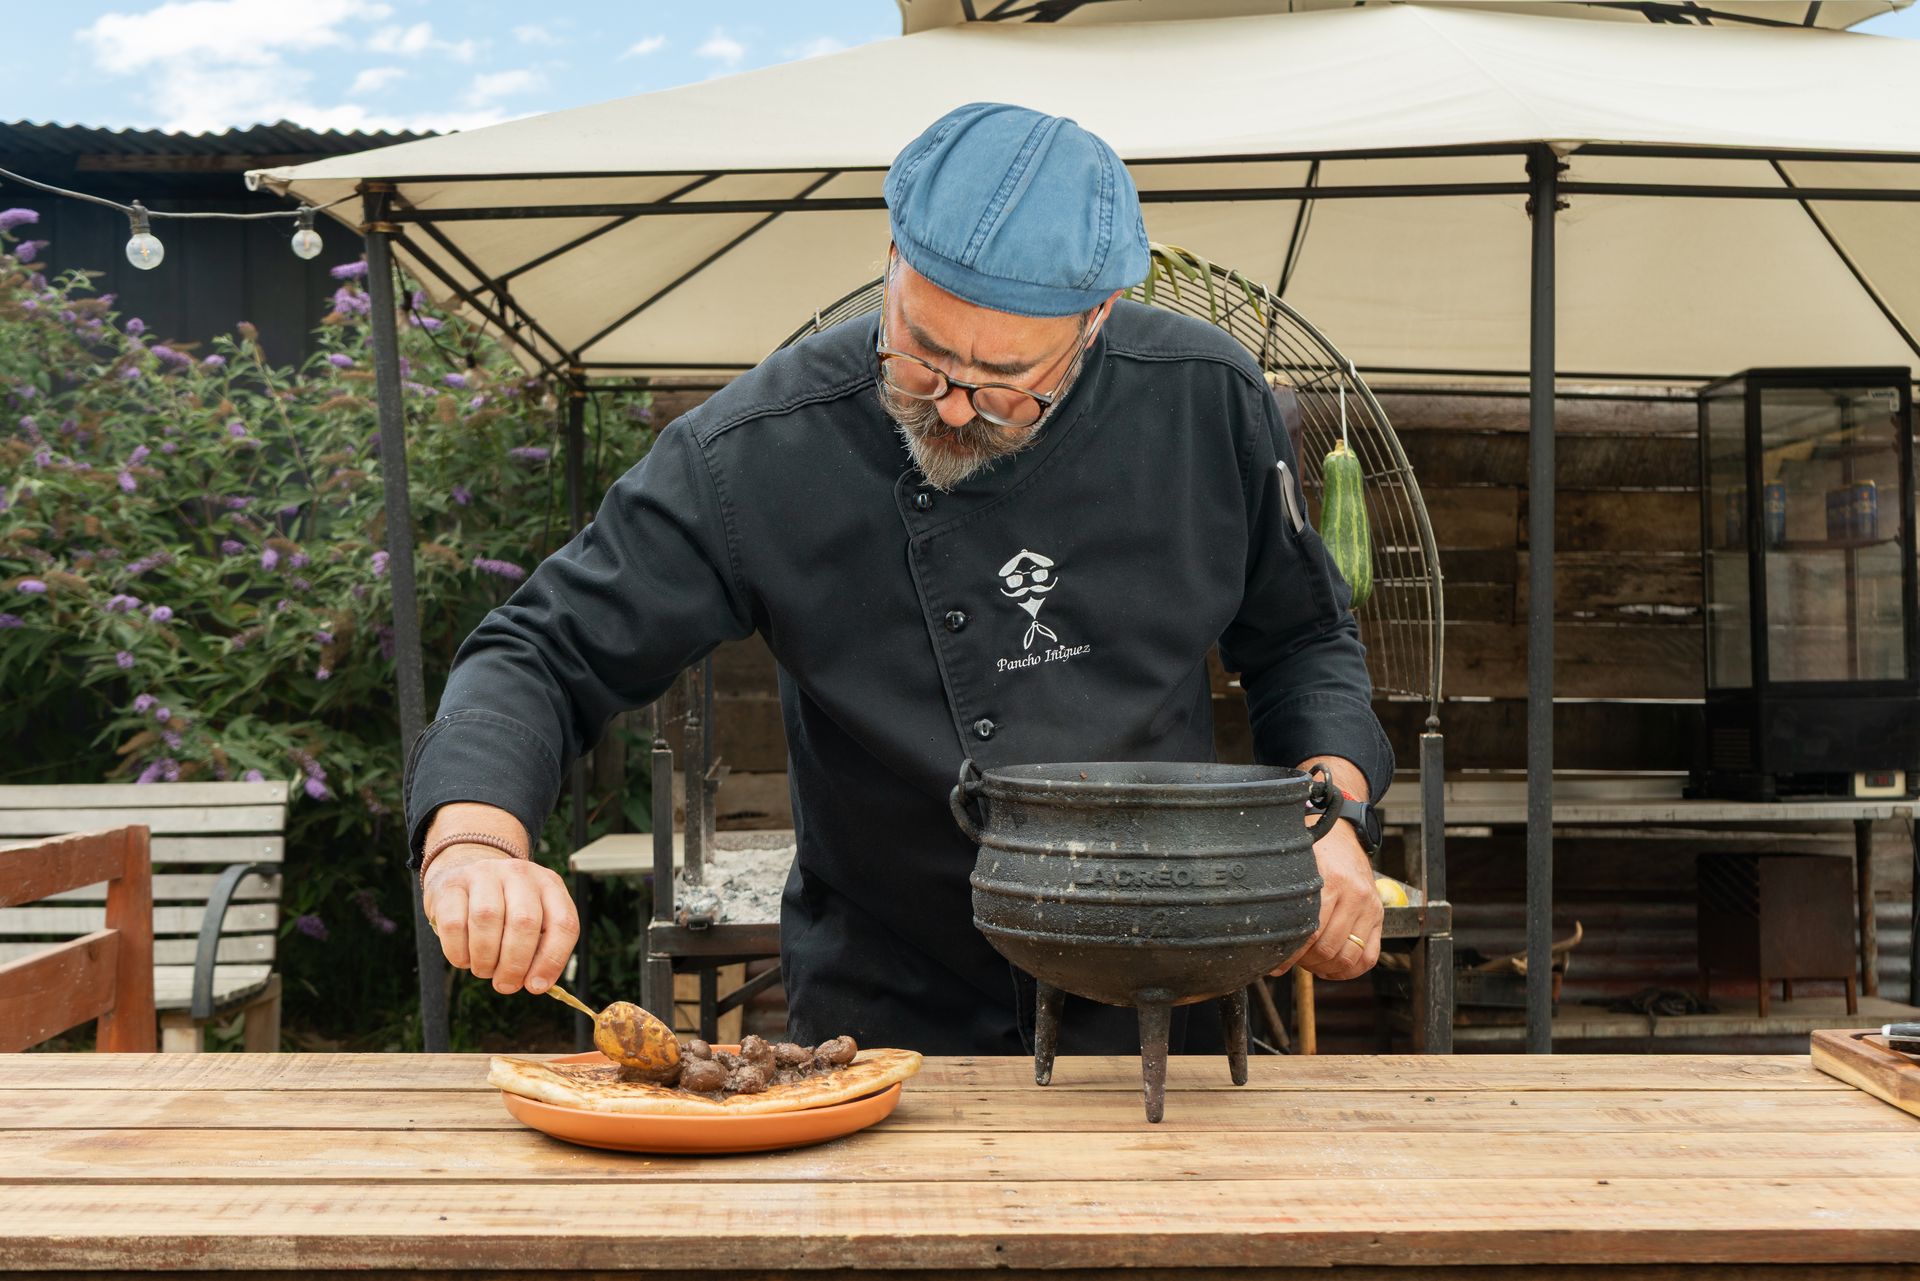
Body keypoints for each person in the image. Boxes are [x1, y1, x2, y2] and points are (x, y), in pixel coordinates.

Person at [408, 102, 1392, 1056]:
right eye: (922, 355)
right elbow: (542, 649)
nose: (956, 409)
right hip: (884, 1011)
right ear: (891, 265)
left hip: (1162, 984)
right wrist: (477, 842)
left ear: (1097, 319)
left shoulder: (1207, 401)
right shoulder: (756, 451)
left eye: (1007, 381)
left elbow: (1301, 641)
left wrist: (1330, 819)